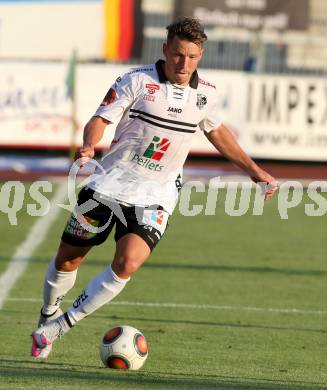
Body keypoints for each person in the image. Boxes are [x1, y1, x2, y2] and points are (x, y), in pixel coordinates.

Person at [31, 17, 278, 358]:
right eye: (177, 54)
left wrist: (253, 170)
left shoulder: (205, 95)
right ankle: (47, 313)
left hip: (156, 195)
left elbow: (216, 132)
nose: (183, 63)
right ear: (165, 50)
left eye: (191, 57)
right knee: (68, 261)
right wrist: (89, 146)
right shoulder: (136, 81)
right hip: (107, 186)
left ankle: (60, 326)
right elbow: (100, 119)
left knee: (128, 262)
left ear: (201, 55)